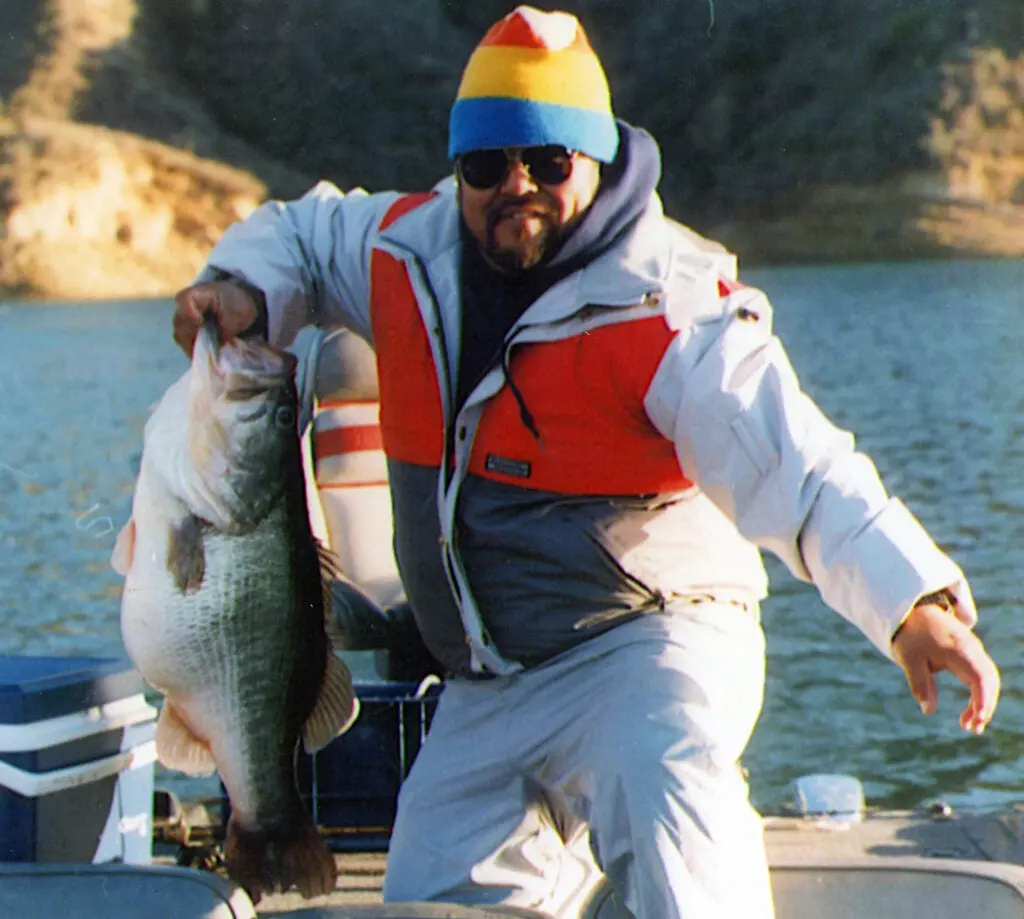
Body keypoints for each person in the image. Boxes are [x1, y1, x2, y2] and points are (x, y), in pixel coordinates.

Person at [171, 7, 1000, 917]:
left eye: (548, 161)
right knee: (425, 900)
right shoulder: (401, 251)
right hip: (491, 677)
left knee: (673, 785)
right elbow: (296, 235)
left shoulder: (672, 300)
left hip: (651, 636)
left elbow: (796, 463)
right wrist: (241, 288)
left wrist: (910, 601)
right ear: (458, 171)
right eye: (486, 165)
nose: (514, 185)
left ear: (594, 160)